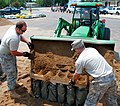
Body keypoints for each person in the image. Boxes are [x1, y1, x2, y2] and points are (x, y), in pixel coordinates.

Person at [69, 39, 118, 106]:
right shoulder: (92, 49)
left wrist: (72, 81)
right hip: (111, 76)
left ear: (78, 49)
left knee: (90, 102)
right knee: (111, 100)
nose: (75, 52)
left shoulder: (80, 60)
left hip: (100, 81)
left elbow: (77, 74)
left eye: (75, 50)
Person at [0, 21, 33, 99]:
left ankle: (13, 84)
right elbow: (14, 53)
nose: (23, 33)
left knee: (14, 69)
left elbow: (20, 36)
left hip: (9, 53)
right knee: (11, 72)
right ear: (17, 28)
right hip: (5, 55)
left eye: (25, 31)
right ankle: (12, 91)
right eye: (22, 31)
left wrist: (27, 42)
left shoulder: (14, 28)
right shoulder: (13, 38)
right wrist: (24, 54)